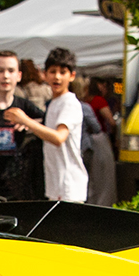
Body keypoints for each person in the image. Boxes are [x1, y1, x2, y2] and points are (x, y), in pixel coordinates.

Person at [0, 50, 43, 199]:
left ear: (19, 75)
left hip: (16, 186)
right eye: (0, 70)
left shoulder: (24, 106)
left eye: (10, 71)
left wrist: (28, 123)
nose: (5, 76)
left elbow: (47, 122)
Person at [32, 48, 89, 204]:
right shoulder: (54, 103)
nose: (57, 77)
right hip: (56, 184)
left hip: (69, 186)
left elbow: (58, 137)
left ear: (72, 76)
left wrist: (26, 121)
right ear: (45, 74)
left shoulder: (69, 103)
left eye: (62, 72)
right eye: (53, 71)